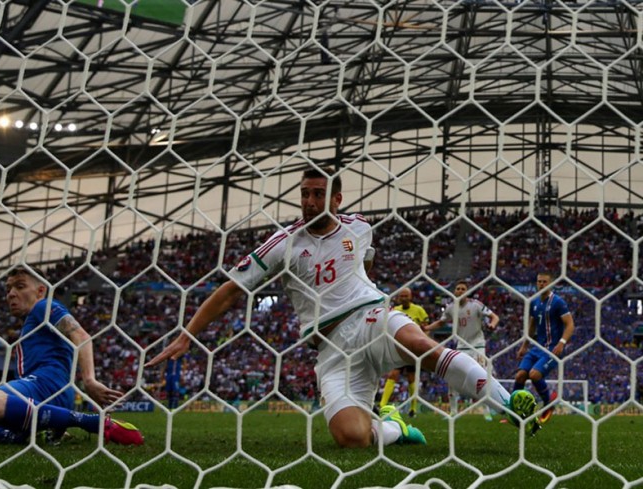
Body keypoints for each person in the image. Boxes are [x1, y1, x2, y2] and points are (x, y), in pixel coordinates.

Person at [146, 167, 538, 448]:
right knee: (352, 438)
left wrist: (371, 295)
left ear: (336, 198)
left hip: (370, 318)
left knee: (421, 345)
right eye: (305, 194)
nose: (309, 202)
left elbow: (366, 263)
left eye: (318, 194)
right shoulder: (284, 244)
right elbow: (231, 290)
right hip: (331, 350)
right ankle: (395, 428)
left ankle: (509, 403)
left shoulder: (359, 226)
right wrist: (187, 335)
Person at [0, 267, 144, 446]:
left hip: (48, 387)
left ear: (40, 290)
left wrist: (90, 380)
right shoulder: (30, 325)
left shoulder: (43, 307)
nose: (11, 294)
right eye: (8, 289)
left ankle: (92, 422)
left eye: (20, 286)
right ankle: (16, 437)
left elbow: (81, 335)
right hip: (30, 399)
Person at [424, 280, 500, 420]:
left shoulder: (476, 305)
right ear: (454, 291)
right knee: (452, 376)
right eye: (458, 288)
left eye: (463, 289)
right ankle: (453, 412)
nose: (460, 291)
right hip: (461, 346)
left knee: (481, 376)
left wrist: (492, 324)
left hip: (477, 345)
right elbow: (441, 322)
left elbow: (494, 317)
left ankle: (486, 410)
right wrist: (426, 328)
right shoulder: (450, 308)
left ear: (467, 291)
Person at [514, 271, 574, 424]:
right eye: (539, 281)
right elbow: (532, 325)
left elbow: (570, 325)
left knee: (534, 375)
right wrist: (524, 345)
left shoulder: (558, 302)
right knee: (520, 376)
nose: (541, 284)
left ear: (551, 284)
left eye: (544, 282)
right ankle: (514, 409)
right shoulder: (534, 302)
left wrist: (562, 343)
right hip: (536, 348)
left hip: (552, 349)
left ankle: (548, 405)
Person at [378, 288, 429, 418]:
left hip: (413, 349)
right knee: (393, 374)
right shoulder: (395, 310)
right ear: (399, 298)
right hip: (398, 348)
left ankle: (413, 408)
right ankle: (382, 405)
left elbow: (426, 328)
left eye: (406, 296)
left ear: (411, 297)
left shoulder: (419, 310)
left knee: (411, 377)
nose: (404, 298)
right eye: (402, 296)